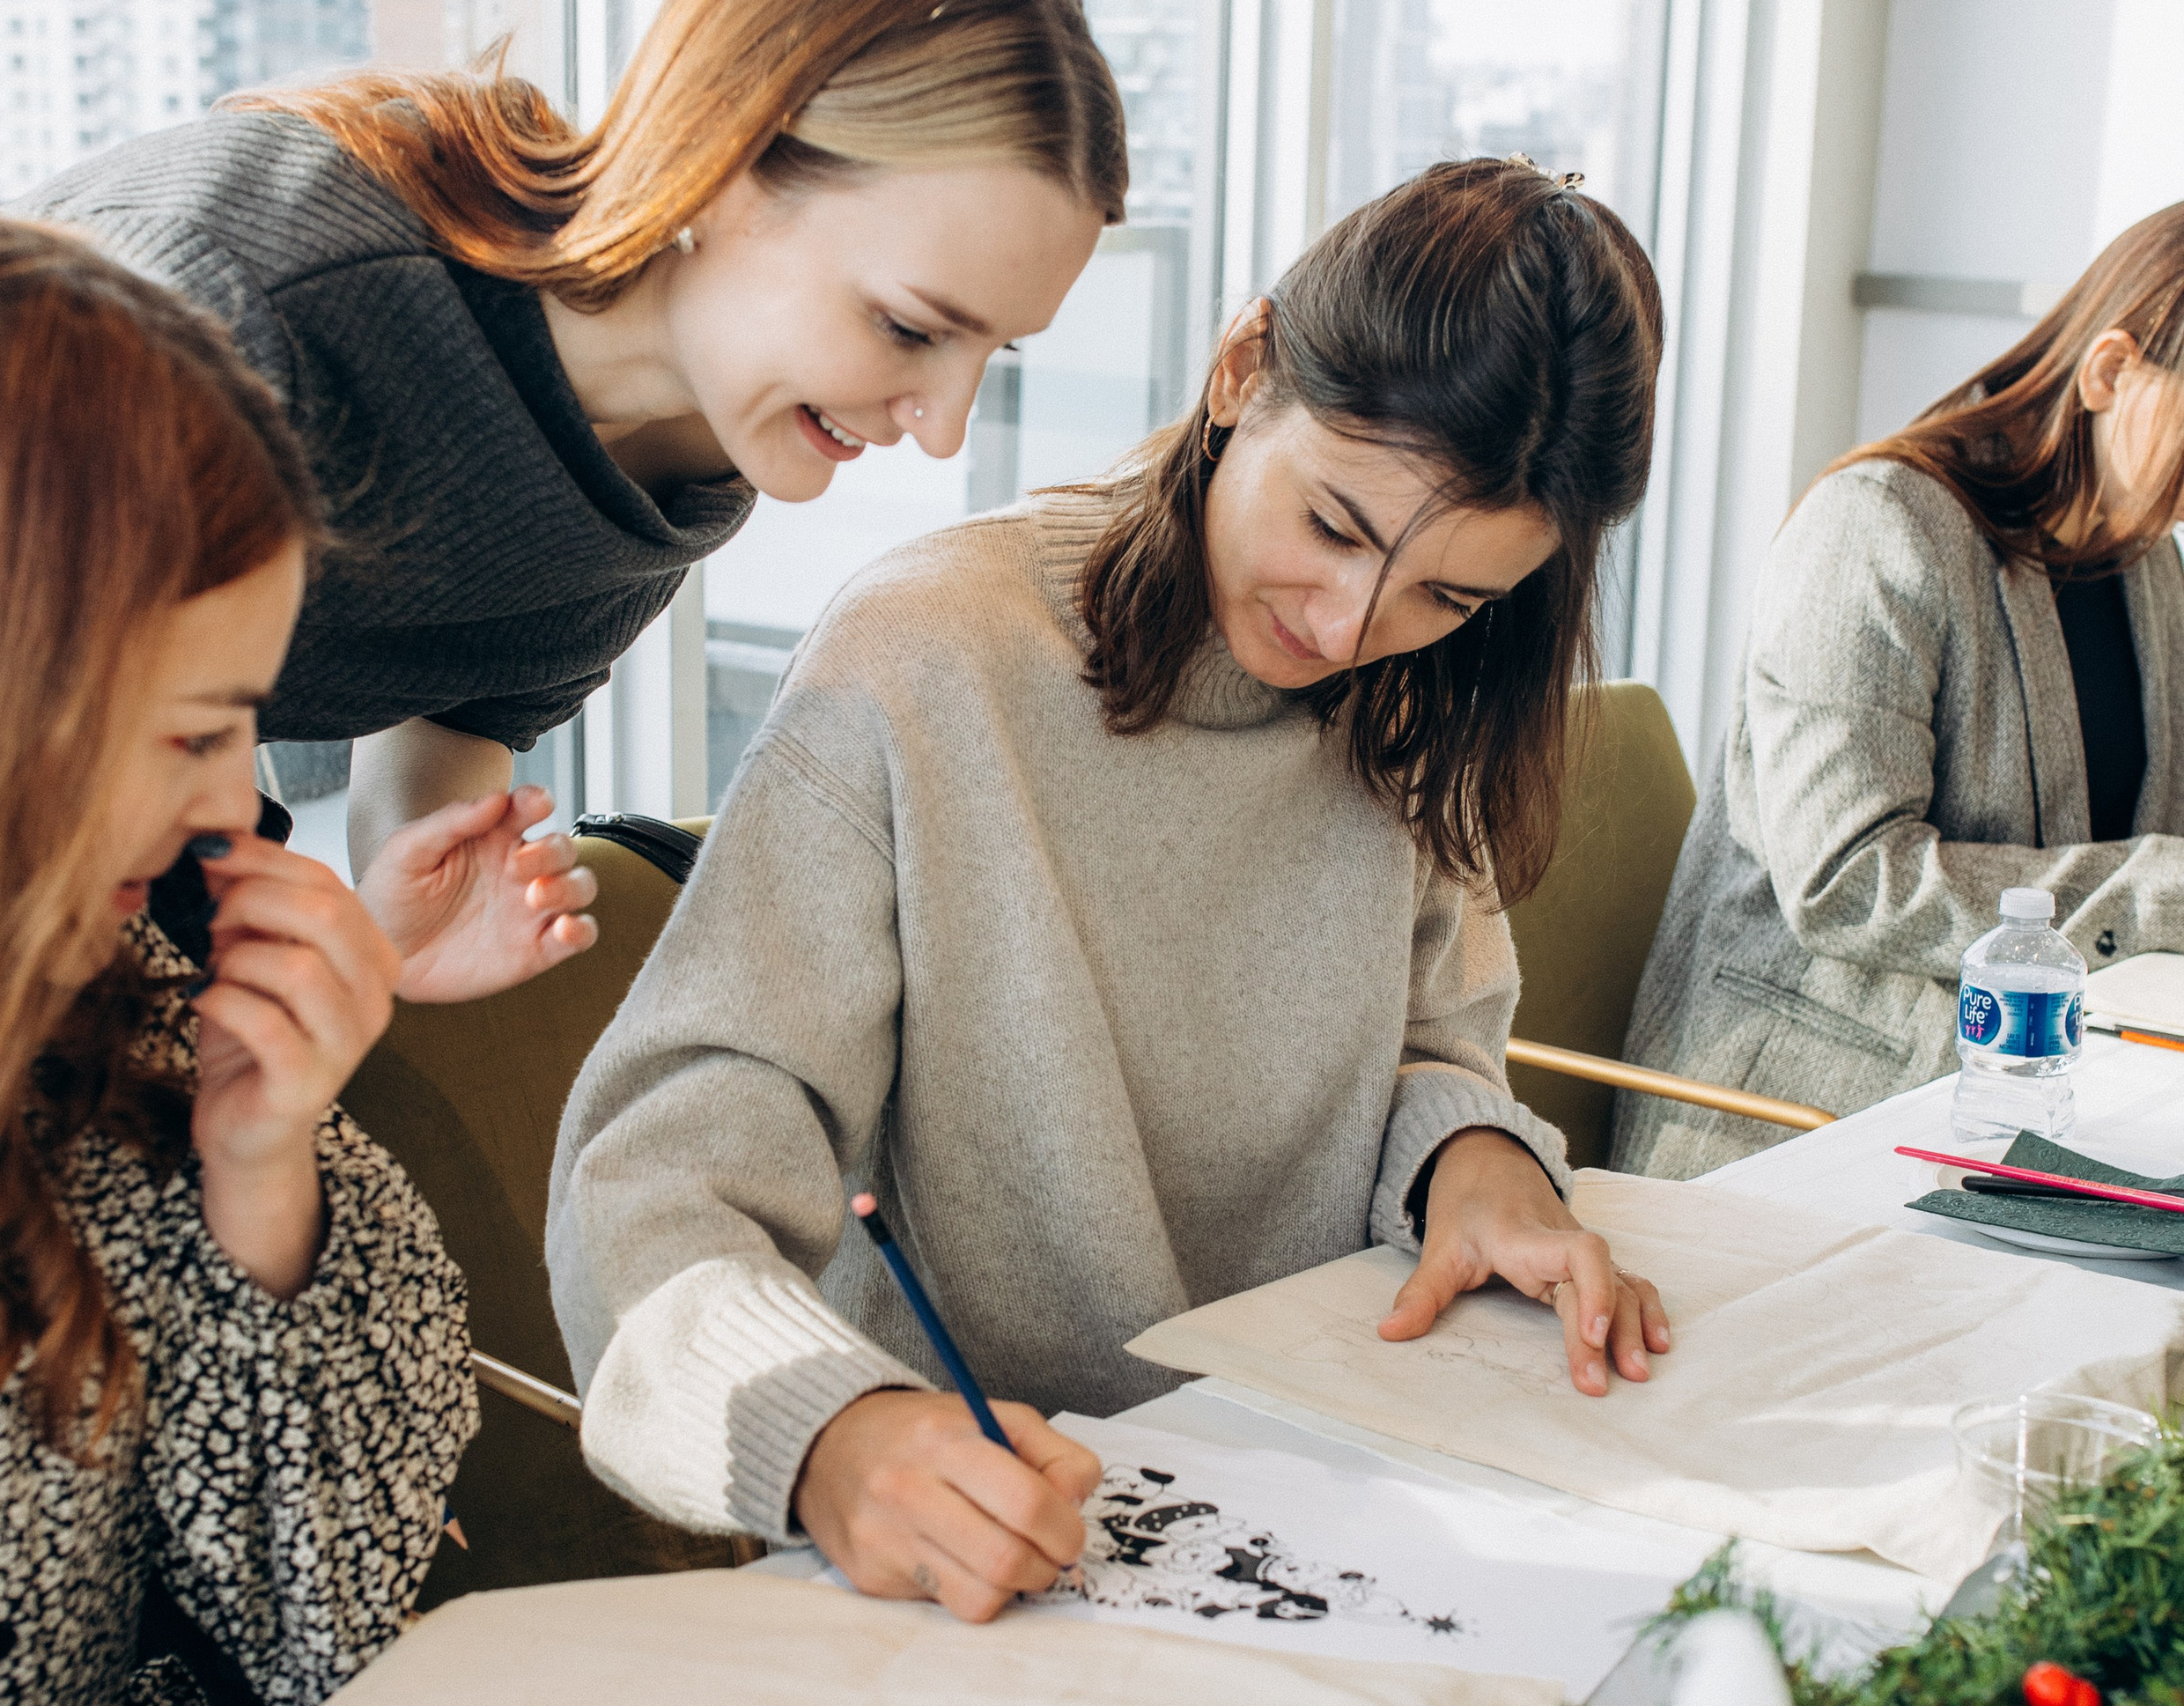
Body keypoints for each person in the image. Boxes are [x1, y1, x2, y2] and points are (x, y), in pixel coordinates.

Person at [548, 159, 1672, 1624]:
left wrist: (1476, 1164)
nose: (1349, 627)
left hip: (1350, 1496)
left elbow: (1424, 1042)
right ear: (1241, 365)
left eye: (1450, 596)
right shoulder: (928, 658)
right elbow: (651, 1184)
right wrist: (825, 1434)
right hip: (1000, 1547)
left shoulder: (1421, 690)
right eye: (1333, 526)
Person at [26, 0, 1124, 1003]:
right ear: (719, 162)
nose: (940, 432)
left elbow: (462, 700)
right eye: (907, 327)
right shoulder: (253, 303)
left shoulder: (692, 459)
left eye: (991, 354)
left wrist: (417, 889)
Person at [0, 218, 476, 1706]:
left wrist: (264, 1170)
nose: (234, 808)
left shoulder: (101, 1023)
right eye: (192, 730)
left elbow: (330, 1631)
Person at [1614, 203, 2184, 1179]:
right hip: (1803, 1114)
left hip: (2027, 1104)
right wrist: (2156, 892)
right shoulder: (1877, 528)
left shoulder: (2148, 569)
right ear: (2108, 371)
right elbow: (1846, 880)